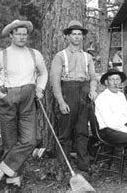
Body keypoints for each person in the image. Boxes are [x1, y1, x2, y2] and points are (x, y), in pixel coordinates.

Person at [0, 19, 48, 188]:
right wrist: (0, 95)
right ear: (11, 35)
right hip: (8, 98)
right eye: (18, 34)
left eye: (25, 34)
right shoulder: (1, 55)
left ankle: (5, 166)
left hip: (29, 98)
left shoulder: (34, 54)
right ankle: (13, 181)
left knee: (30, 140)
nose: (22, 37)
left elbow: (43, 73)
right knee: (10, 141)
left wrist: (40, 89)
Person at [50, 20, 98, 173]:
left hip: (84, 93)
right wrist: (61, 101)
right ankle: (63, 166)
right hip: (67, 91)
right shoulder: (60, 56)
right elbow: (55, 80)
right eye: (74, 34)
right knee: (65, 131)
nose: (77, 37)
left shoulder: (87, 57)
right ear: (68, 37)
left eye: (79, 35)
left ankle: (83, 165)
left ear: (82, 37)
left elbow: (93, 77)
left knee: (82, 131)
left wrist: (93, 90)